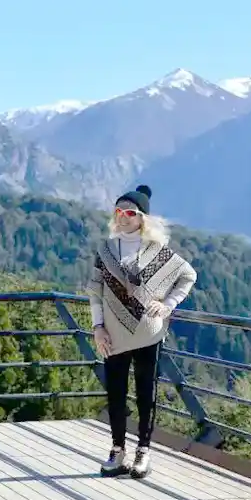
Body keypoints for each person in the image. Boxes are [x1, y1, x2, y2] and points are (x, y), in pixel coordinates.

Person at [86, 185, 197, 479]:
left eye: (130, 213)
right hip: (112, 334)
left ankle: (143, 452)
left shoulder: (157, 252)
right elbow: (95, 291)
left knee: (146, 392)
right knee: (116, 393)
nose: (123, 217)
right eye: (119, 211)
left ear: (142, 218)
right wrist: (97, 328)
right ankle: (118, 450)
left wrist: (169, 304)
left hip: (150, 333)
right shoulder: (106, 250)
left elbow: (188, 275)